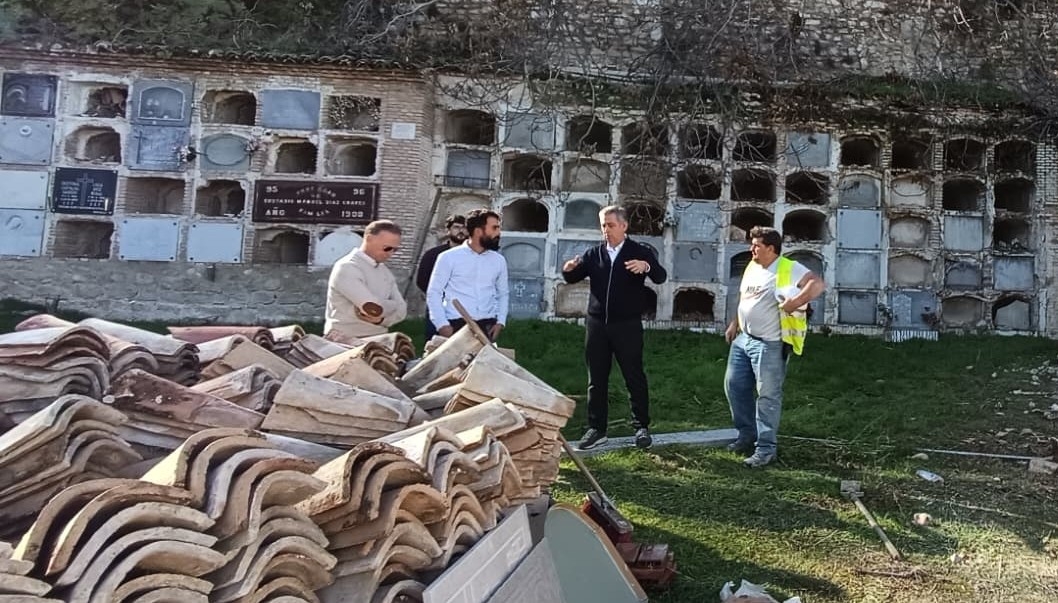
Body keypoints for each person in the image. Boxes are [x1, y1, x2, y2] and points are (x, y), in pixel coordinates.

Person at [561, 205, 667, 450]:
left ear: (623, 226)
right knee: (596, 379)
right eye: (602, 225)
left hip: (627, 324)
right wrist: (567, 271)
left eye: (610, 225)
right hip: (597, 324)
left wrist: (647, 267)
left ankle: (641, 426)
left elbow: (660, 276)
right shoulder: (594, 254)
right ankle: (597, 429)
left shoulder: (639, 252)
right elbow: (573, 278)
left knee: (634, 376)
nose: (606, 230)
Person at [724, 225, 825, 468]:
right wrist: (734, 324)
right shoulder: (753, 266)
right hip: (743, 339)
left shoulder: (787, 268)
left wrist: (797, 302)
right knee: (734, 386)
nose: (752, 249)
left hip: (769, 343)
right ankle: (746, 435)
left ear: (771, 248)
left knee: (767, 396)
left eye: (756, 246)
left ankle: (766, 449)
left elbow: (817, 284)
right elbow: (745, 297)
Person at [426, 208, 509, 341]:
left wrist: (500, 322)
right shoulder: (448, 258)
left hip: (487, 325)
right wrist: (442, 325)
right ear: (478, 231)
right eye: (494, 228)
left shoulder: (499, 260)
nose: (498, 233)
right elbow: (434, 292)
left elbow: (503, 293)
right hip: (456, 324)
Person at [324, 220, 408, 345]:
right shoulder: (347, 267)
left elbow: (402, 311)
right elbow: (372, 308)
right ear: (369, 239)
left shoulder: (384, 271)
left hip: (378, 340)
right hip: (343, 342)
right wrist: (392, 305)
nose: (390, 253)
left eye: (394, 250)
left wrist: (380, 320)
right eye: (387, 248)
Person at [415, 214, 468, 340]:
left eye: (464, 228)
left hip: (465, 306)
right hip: (438, 305)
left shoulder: (473, 256)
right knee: (435, 343)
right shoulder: (433, 255)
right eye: (456, 227)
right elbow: (422, 280)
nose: (460, 231)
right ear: (448, 230)